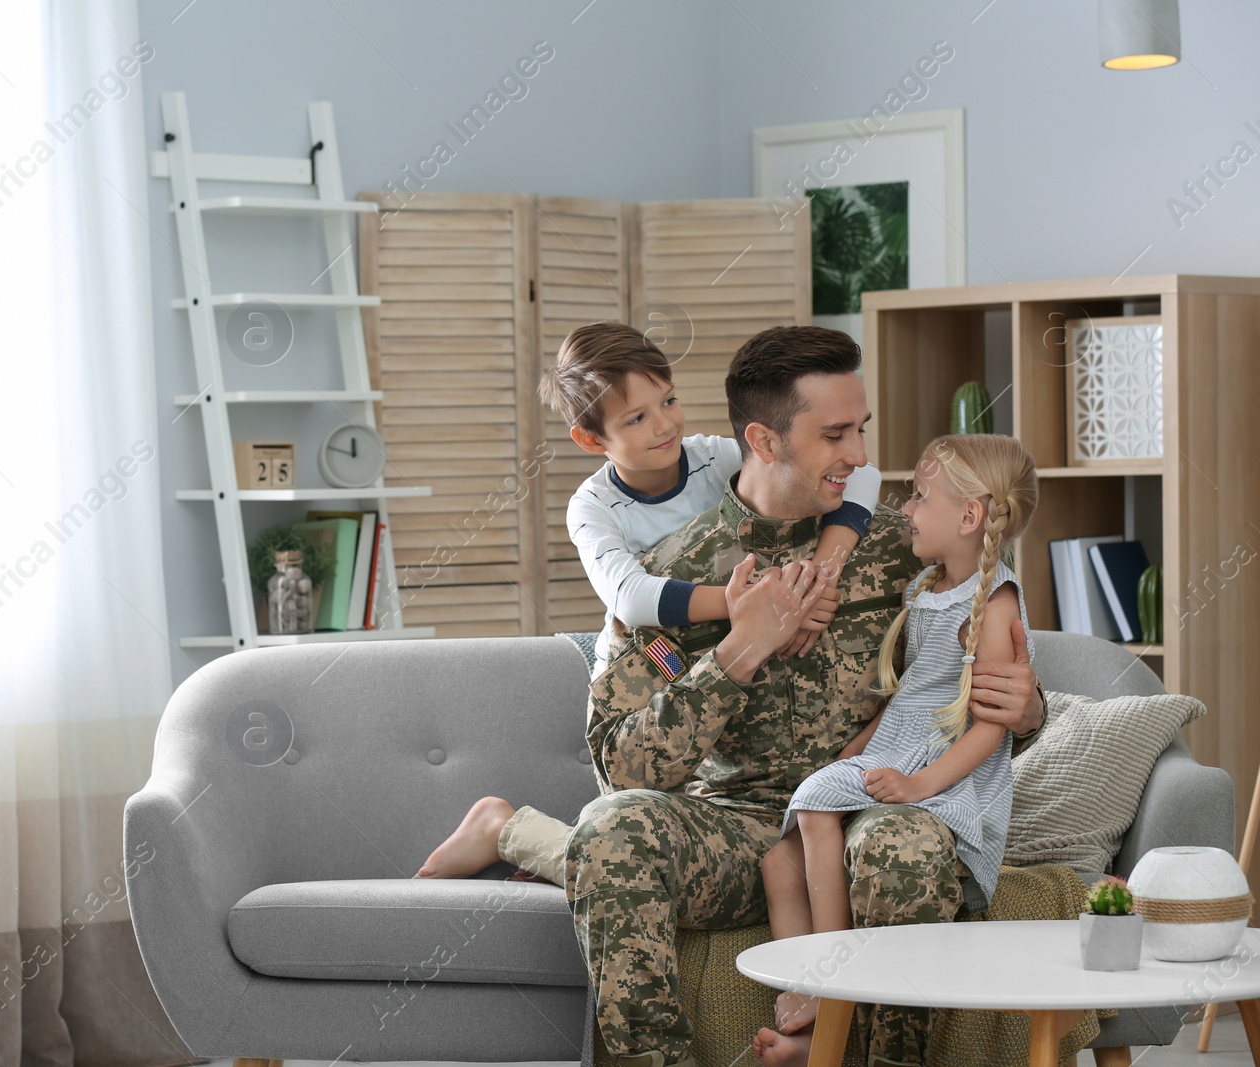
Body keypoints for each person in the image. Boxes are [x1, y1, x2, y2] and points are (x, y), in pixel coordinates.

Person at [568, 325, 1047, 1067]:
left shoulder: (910, 550)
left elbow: (986, 692)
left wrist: (1029, 709)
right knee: (608, 830)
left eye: (860, 429)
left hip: (867, 809)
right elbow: (620, 766)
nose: (859, 455)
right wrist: (738, 649)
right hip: (735, 832)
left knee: (904, 849)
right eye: (834, 434)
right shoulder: (671, 579)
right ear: (763, 438)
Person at [416, 321, 883, 883]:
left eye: (669, 401)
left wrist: (823, 573)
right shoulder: (592, 506)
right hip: (647, 652)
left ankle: (530, 841)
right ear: (592, 440)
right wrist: (758, 610)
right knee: (638, 816)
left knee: (649, 843)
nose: (664, 425)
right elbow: (632, 598)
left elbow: (861, 476)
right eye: (636, 418)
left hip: (724, 629)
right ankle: (506, 830)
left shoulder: (713, 457)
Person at [753, 434, 1040, 1065]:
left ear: (970, 517)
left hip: (938, 773)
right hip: (900, 749)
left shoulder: (993, 605)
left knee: (815, 809)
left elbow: (991, 730)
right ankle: (799, 992)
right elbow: (906, 697)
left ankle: (832, 992)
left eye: (919, 496)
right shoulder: (926, 589)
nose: (905, 509)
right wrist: (853, 752)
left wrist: (918, 787)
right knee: (779, 858)